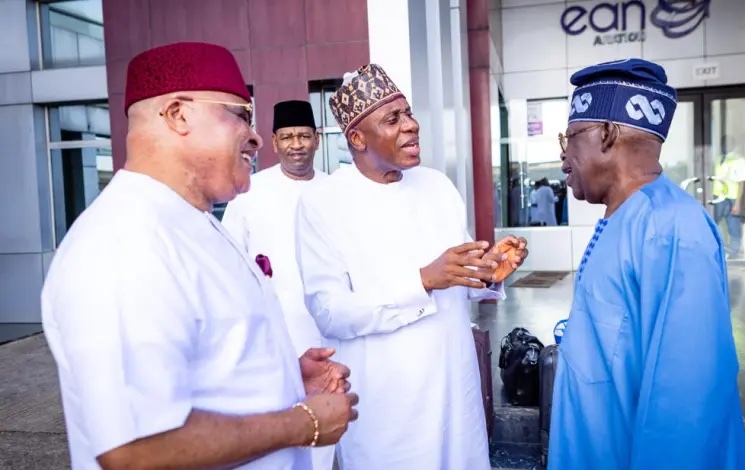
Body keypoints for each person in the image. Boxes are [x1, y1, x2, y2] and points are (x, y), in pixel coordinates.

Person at [40, 42, 358, 470]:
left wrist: (285, 377)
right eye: (240, 115)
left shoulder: (194, 222)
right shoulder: (123, 242)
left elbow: (212, 363)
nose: (255, 136)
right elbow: (137, 450)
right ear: (178, 115)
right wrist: (303, 423)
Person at [294, 64, 529, 470]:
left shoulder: (438, 186)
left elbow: (457, 275)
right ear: (357, 138)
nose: (412, 125)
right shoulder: (323, 202)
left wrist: (488, 272)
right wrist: (422, 281)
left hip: (455, 394)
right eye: (393, 119)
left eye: (409, 113)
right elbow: (329, 311)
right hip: (388, 408)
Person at [553, 58, 745, 469]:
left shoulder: (671, 227)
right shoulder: (625, 217)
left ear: (606, 134)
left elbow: (686, 406)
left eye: (570, 138)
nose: (564, 157)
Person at [222, 99, 335, 469]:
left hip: (332, 330)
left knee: (331, 414)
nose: (296, 145)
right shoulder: (249, 192)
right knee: (284, 425)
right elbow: (230, 263)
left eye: (303, 136)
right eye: (287, 137)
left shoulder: (338, 191)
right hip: (276, 330)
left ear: (317, 139)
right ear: (274, 142)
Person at [712, 135, 745, 258]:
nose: (724, 146)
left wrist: (738, 203)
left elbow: (742, 183)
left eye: (726, 143)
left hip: (732, 198)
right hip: (717, 197)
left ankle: (734, 254)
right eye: (722, 143)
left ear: (732, 145)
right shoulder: (719, 159)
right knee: (712, 224)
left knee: (733, 228)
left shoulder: (739, 160)